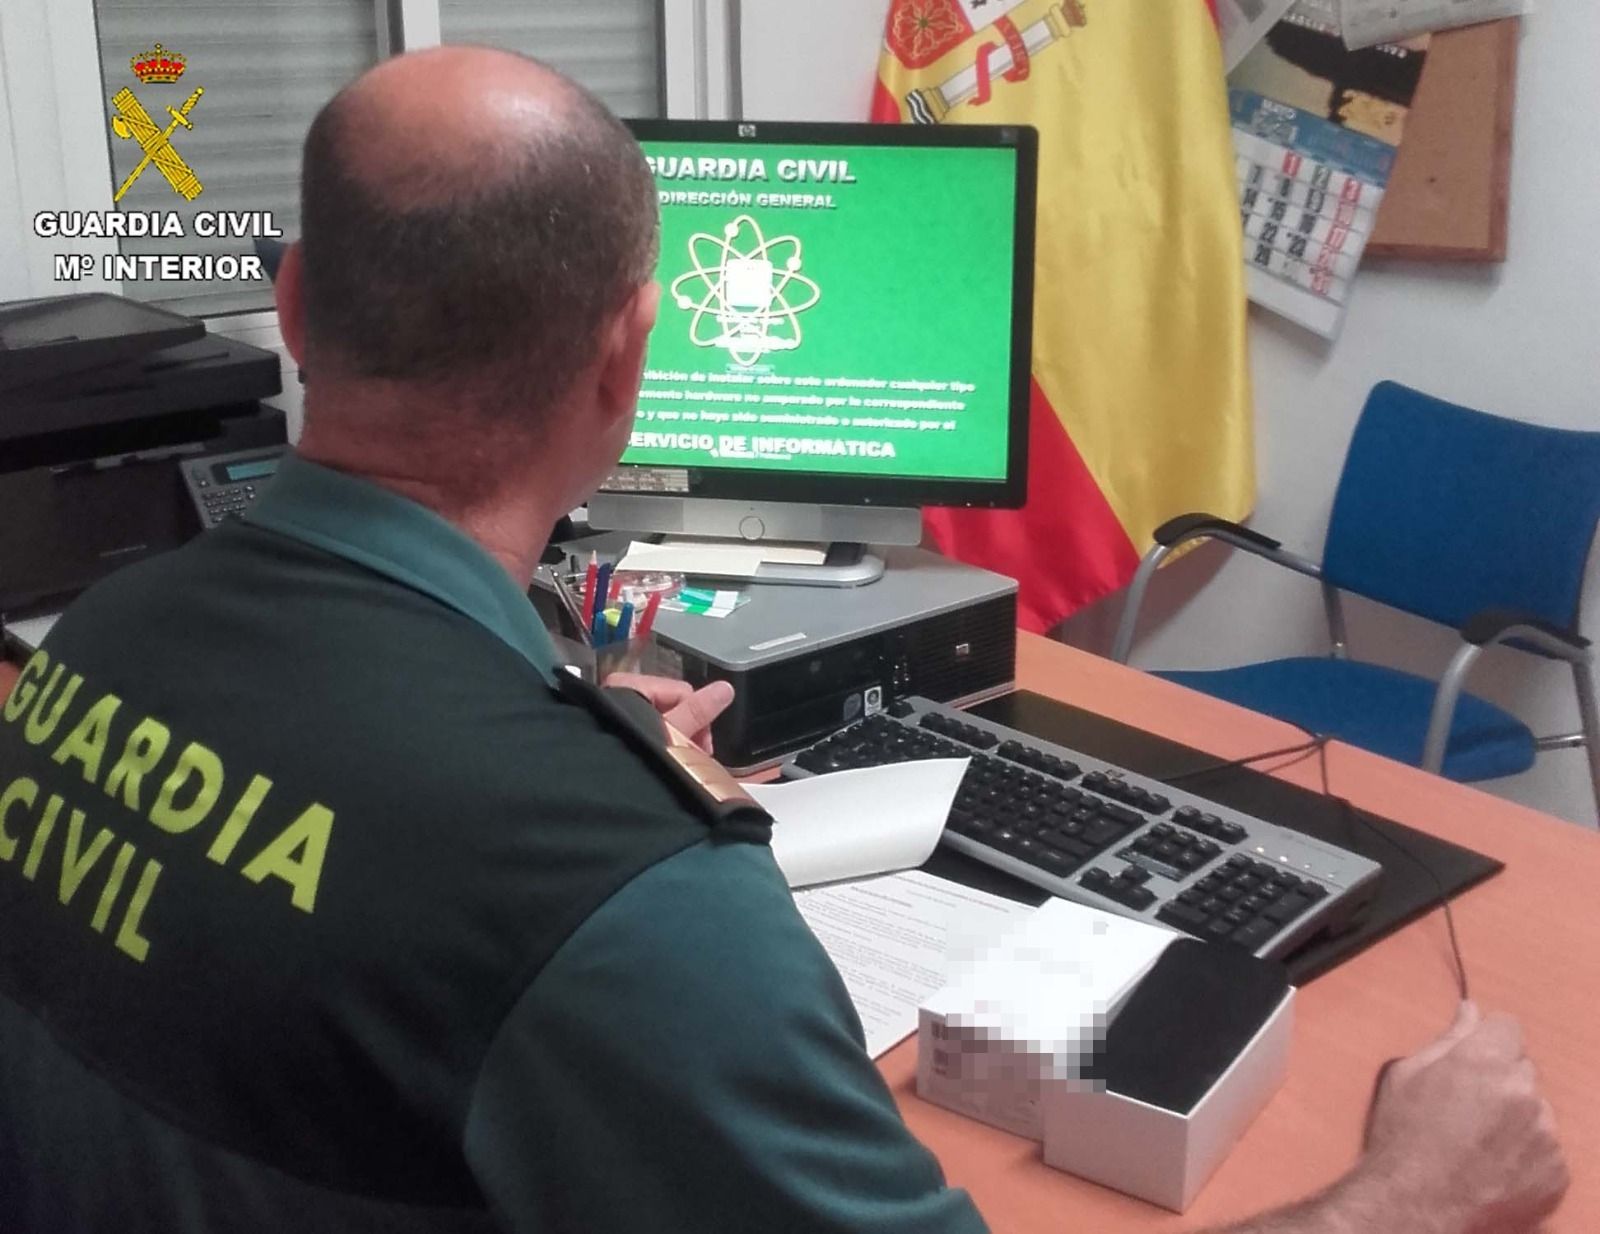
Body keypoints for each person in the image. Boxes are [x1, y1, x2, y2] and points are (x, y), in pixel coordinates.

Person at [0, 46, 1567, 1234]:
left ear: (288, 306)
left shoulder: (93, 640)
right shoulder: (613, 889)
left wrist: (539, 713)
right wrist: (1411, 1191)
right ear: (628, 357)